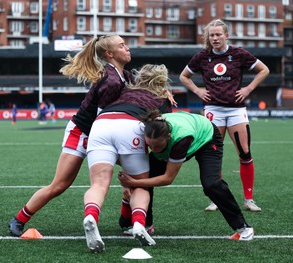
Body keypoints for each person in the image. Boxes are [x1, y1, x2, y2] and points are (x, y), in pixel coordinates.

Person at [8, 34, 133, 237]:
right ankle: (18, 219)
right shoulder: (110, 80)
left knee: (133, 175)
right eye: (121, 45)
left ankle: (127, 219)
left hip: (104, 134)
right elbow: (103, 119)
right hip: (84, 132)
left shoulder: (124, 75)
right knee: (59, 185)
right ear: (109, 54)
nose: (127, 48)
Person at [118, 110, 254, 241]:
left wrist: (134, 183)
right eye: (150, 146)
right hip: (188, 129)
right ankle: (146, 225)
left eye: (158, 146)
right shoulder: (144, 131)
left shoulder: (180, 140)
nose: (153, 150)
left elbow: (167, 178)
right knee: (144, 176)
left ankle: (243, 228)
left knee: (211, 184)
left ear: (168, 137)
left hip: (207, 138)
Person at [179, 19, 269, 212]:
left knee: (244, 153)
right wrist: (198, 91)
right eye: (212, 35)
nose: (215, 38)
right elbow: (183, 76)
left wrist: (248, 89)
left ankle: (249, 199)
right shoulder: (202, 57)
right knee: (212, 155)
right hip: (213, 110)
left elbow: (264, 70)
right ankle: (216, 199)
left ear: (226, 35)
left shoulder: (238, 54)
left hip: (236, 110)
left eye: (218, 34)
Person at [83, 64, 174, 252]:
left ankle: (91, 215)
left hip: (101, 124)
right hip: (131, 126)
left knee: (98, 185)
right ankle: (139, 224)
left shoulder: (126, 88)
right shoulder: (162, 97)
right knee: (140, 185)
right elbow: (160, 130)